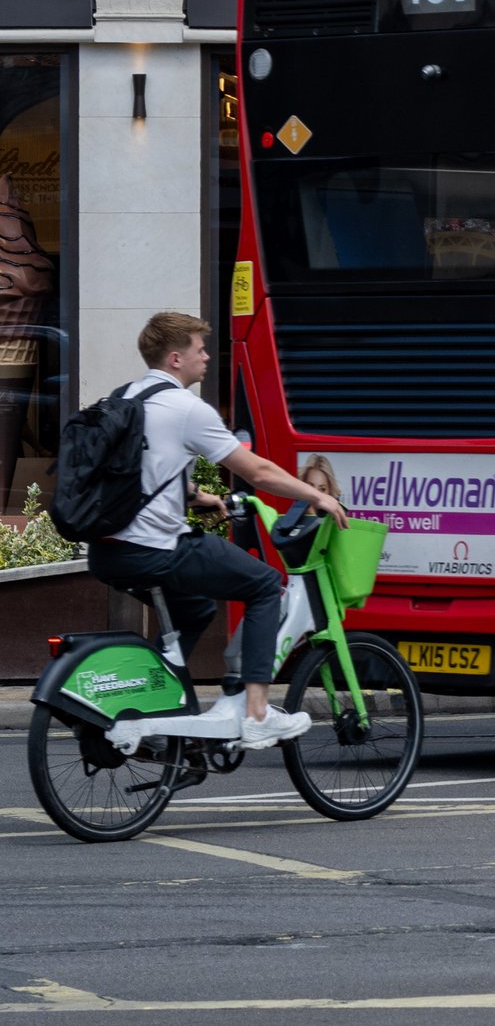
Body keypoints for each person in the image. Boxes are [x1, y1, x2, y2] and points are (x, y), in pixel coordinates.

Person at [83, 311, 346, 749]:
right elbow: (257, 471)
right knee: (265, 584)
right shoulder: (186, 408)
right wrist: (317, 495)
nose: (206, 356)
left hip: (108, 551)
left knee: (198, 609)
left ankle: (150, 702)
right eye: (198, 349)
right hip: (156, 549)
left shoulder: (126, 396)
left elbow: (139, 471)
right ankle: (258, 714)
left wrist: (196, 497)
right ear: (174, 358)